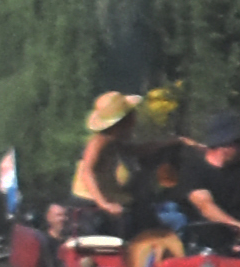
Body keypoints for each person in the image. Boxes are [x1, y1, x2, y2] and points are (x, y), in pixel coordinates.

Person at [67, 94, 167, 237]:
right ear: (125, 120)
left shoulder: (114, 141)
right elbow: (87, 172)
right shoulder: (99, 141)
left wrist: (171, 142)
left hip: (109, 196)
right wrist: (103, 204)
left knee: (142, 210)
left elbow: (135, 150)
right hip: (89, 201)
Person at [184, 122, 240, 259]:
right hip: (208, 237)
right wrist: (236, 226)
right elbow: (206, 206)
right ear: (224, 145)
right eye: (239, 142)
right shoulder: (194, 169)